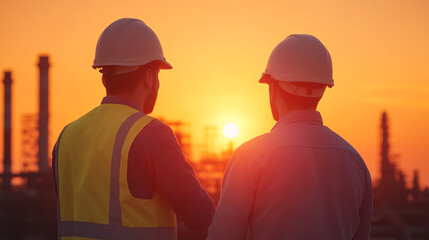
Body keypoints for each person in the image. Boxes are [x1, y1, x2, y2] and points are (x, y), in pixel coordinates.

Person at [52, 18, 215, 240]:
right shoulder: (151, 135)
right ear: (149, 77)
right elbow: (199, 215)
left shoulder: (66, 137)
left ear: (104, 79)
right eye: (157, 73)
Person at [208, 34, 372, 240]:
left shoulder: (251, 157)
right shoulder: (355, 162)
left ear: (273, 87)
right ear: (323, 90)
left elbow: (224, 236)